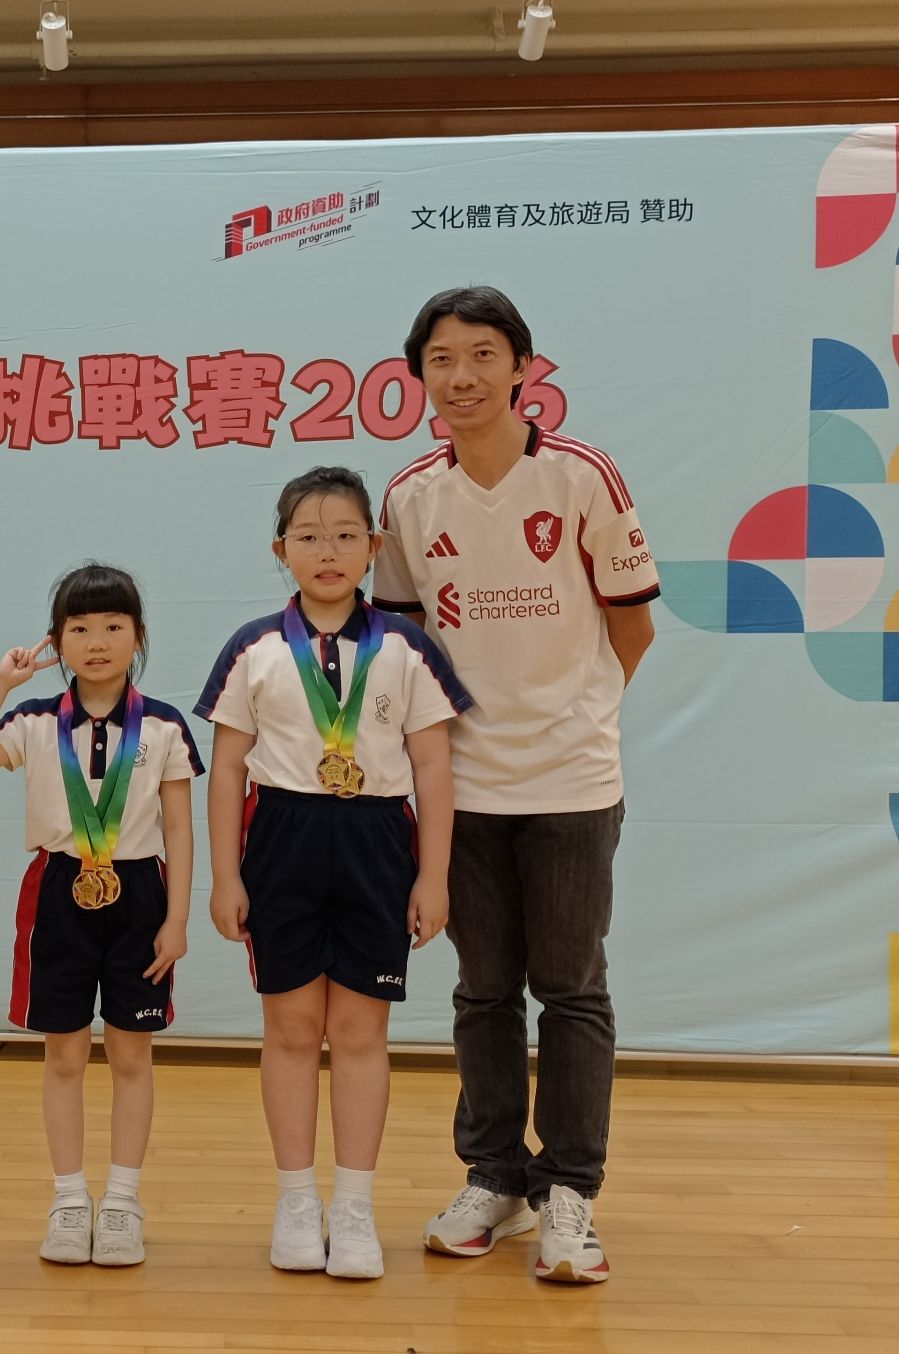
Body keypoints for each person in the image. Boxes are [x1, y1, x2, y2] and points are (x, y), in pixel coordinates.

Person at [374, 285, 658, 1283]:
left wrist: (579, 716)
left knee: (571, 988)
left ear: (524, 369)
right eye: (441, 360)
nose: (462, 377)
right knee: (484, 989)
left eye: (483, 355)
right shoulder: (410, 497)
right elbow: (405, 649)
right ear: (420, 377)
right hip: (463, 788)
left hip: (573, 782)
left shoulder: (581, 477)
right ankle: (495, 1175)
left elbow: (633, 625)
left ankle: (570, 1190)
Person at [198, 469, 469, 1278]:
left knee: (358, 1033)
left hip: (377, 843)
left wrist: (434, 877)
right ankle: (295, 1201)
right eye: (309, 537)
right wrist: (225, 877)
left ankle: (353, 1207)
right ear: (280, 549)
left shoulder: (407, 647)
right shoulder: (253, 649)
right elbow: (227, 770)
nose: (328, 551)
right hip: (280, 842)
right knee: (289, 1031)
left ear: (374, 546)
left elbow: (434, 767)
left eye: (346, 535)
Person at [0, 563, 199, 1267]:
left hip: (140, 894)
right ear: (56, 640)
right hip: (58, 892)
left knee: (131, 1054)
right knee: (62, 1055)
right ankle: (67, 1199)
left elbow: (179, 829)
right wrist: (1, 683)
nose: (96, 641)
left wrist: (177, 918)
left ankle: (121, 1201)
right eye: (79, 628)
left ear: (138, 636)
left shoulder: (164, 725)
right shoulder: (34, 720)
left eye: (113, 626)